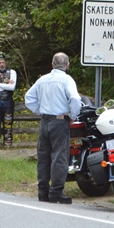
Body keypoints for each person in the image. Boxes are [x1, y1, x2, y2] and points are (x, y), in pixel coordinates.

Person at [24, 52, 82, 204]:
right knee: (59, 157)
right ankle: (56, 192)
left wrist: (40, 111)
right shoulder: (67, 80)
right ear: (68, 65)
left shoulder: (42, 80)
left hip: (45, 121)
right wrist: (73, 116)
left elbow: (28, 98)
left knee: (43, 157)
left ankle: (42, 192)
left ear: (52, 64)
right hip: (60, 121)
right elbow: (75, 99)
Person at [0, 53, 17, 149]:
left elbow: (12, 87)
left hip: (8, 101)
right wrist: (6, 85)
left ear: (6, 63)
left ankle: (7, 144)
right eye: (0, 62)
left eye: (3, 62)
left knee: (8, 123)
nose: (2, 64)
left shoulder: (12, 72)